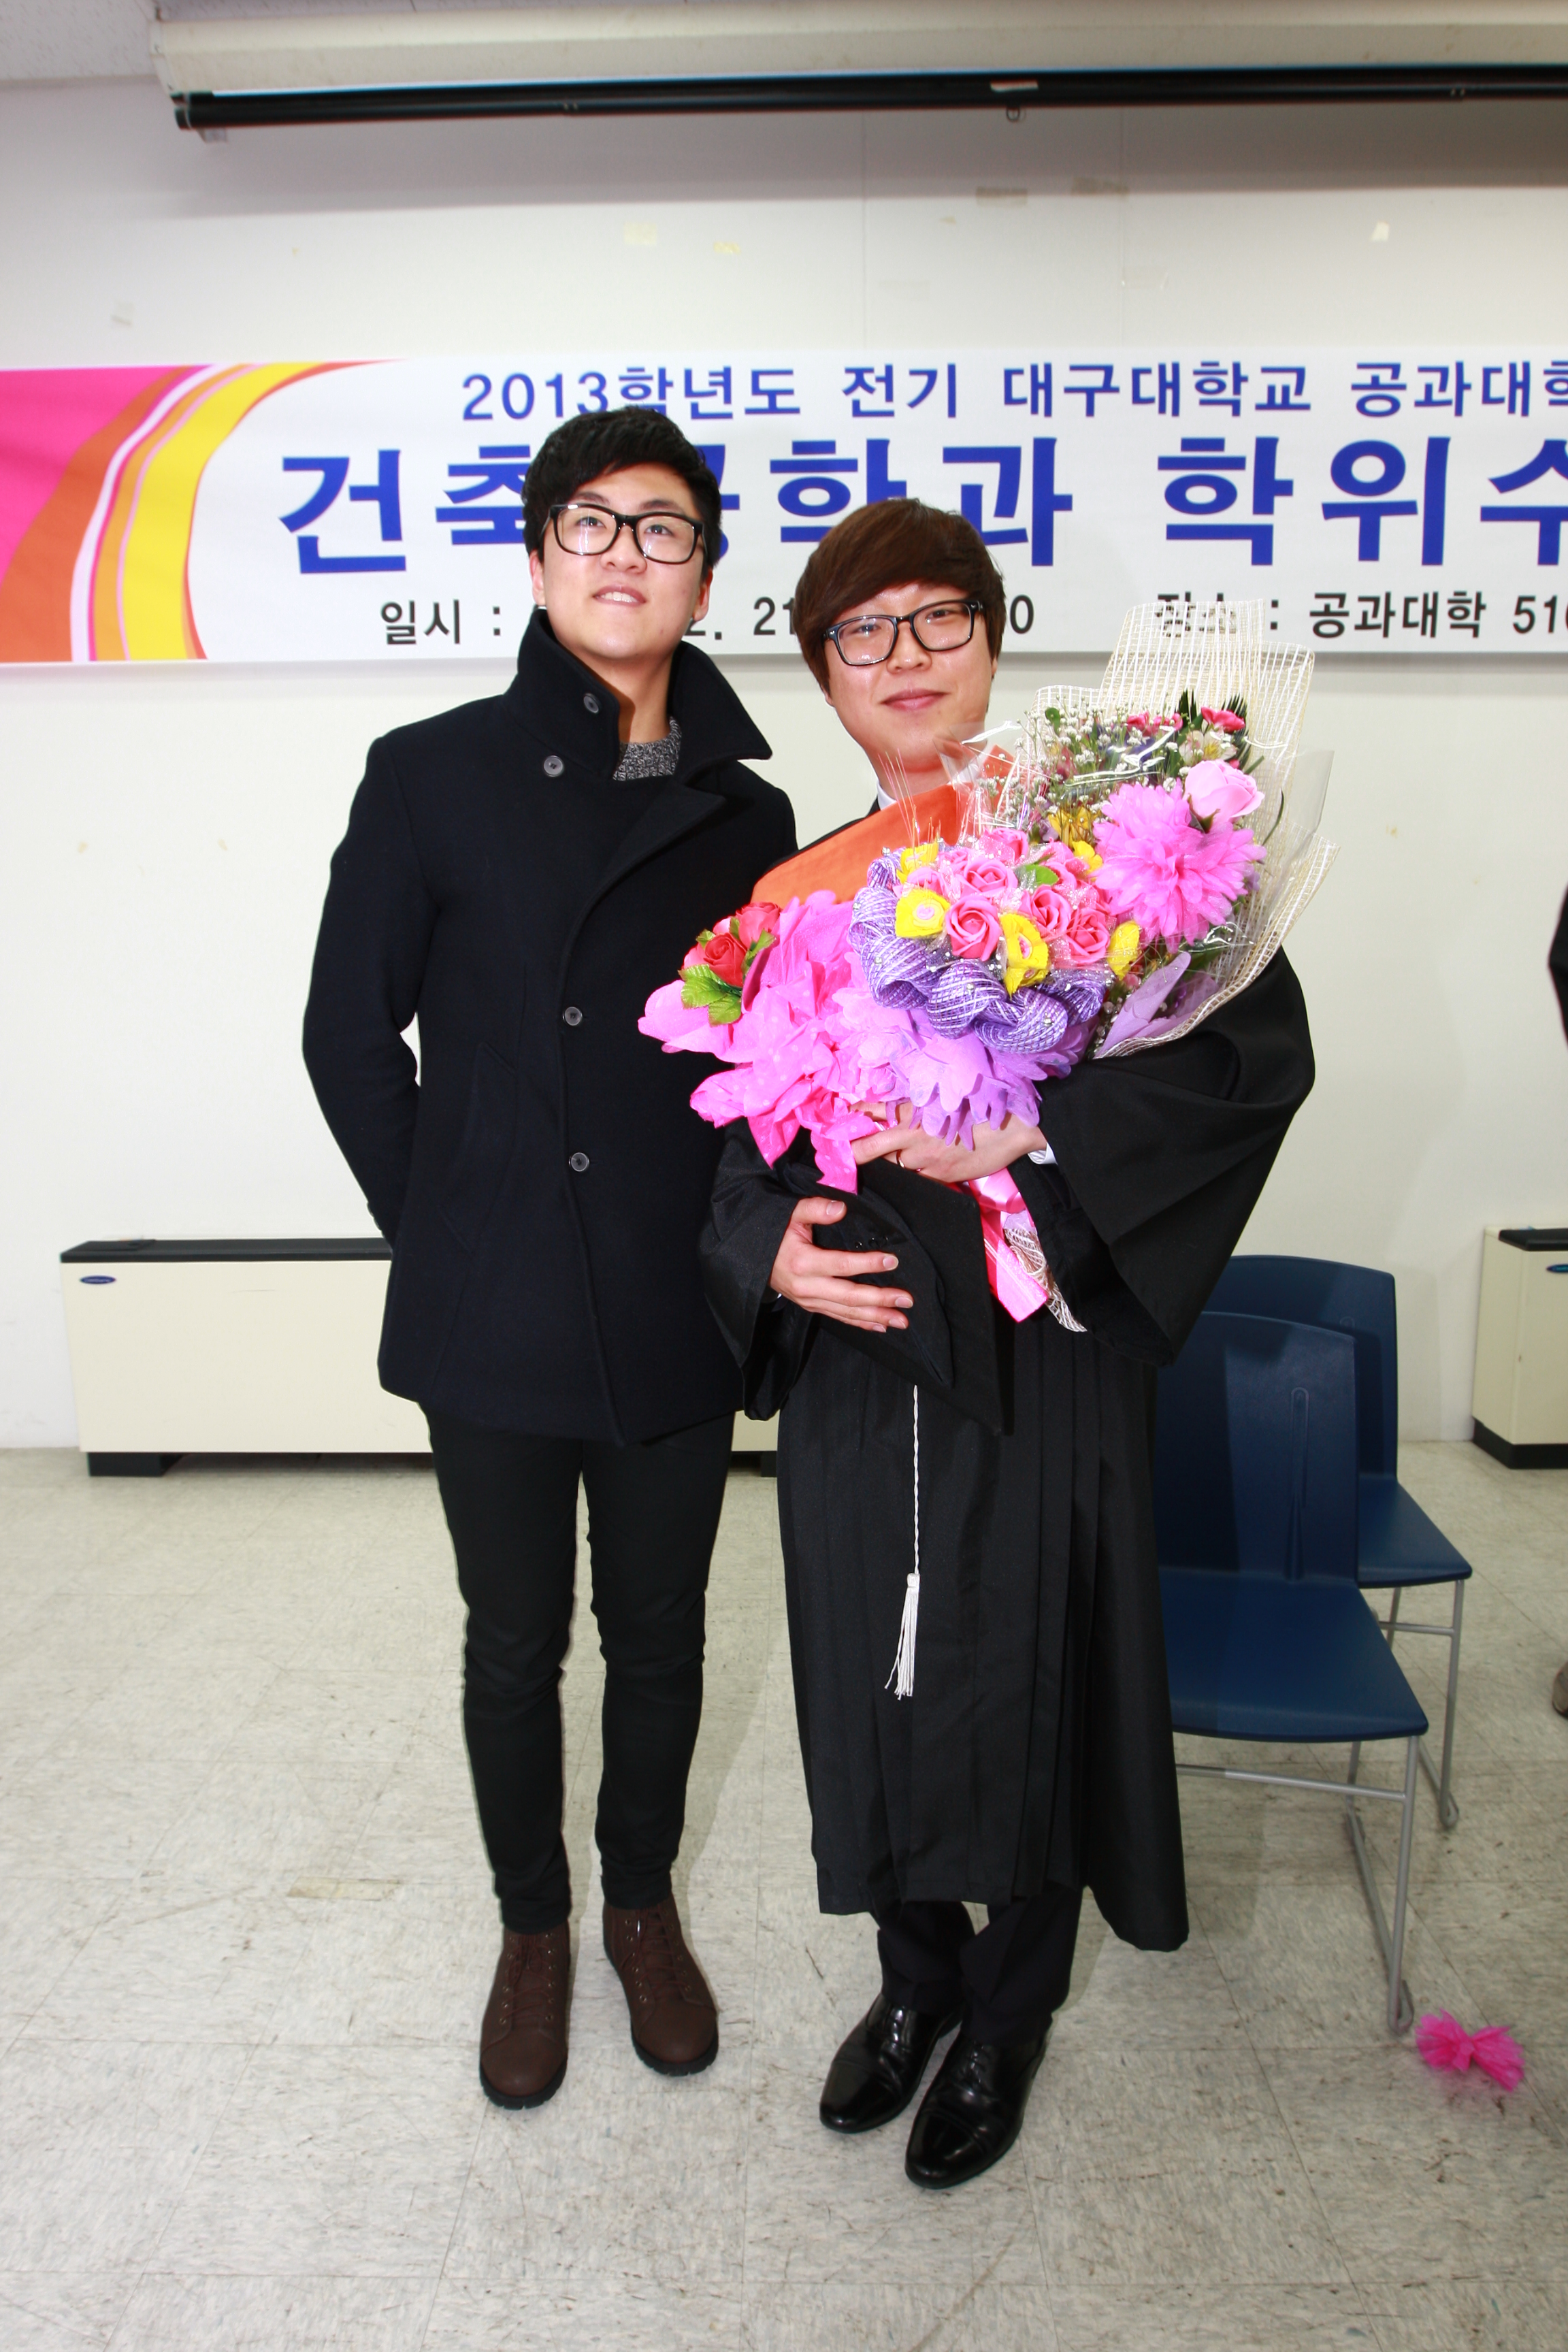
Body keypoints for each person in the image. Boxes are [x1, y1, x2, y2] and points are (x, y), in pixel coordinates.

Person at [698, 499, 1316, 2188]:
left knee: (1041, 1665)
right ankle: (915, 1979)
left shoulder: (1115, 850)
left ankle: (1011, 2008)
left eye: (937, 619)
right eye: (862, 632)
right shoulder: (791, 894)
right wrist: (767, 1257)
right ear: (825, 672)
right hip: (863, 1349)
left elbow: (1242, 1060)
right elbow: (731, 1139)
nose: (904, 658)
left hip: (1047, 1338)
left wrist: (1039, 1137)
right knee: (865, 1668)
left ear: (991, 636)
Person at [303, 408, 796, 2110]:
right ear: (536, 560)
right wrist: (444, 1225)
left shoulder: (750, 813)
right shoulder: (428, 772)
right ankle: (534, 1927)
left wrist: (747, 1252)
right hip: (494, 1297)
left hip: (672, 1297)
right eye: (590, 524)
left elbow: (770, 1074)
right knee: (514, 1640)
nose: (624, 554)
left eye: (663, 528)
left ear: (704, 577)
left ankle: (640, 1907)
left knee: (661, 1632)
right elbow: (347, 1036)